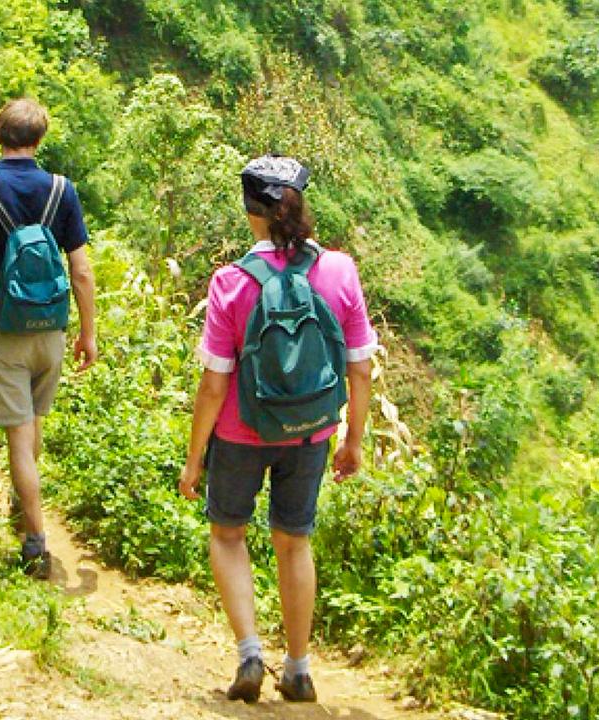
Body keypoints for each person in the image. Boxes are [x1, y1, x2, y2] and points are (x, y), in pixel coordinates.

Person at [178, 156, 379, 703]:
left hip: (243, 434)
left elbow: (214, 385)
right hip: (312, 431)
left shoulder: (231, 282)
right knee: (294, 543)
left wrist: (195, 457)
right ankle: (298, 668)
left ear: (251, 213)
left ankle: (249, 653)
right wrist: (353, 439)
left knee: (228, 533)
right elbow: (359, 367)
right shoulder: (340, 271)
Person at [0, 98, 98, 580]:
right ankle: (23, 508)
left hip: (4, 331)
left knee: (18, 437)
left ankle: (35, 541)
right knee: (33, 426)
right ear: (39, 138)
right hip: (50, 330)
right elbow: (81, 271)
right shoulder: (62, 190)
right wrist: (88, 333)